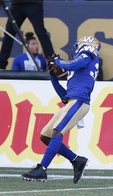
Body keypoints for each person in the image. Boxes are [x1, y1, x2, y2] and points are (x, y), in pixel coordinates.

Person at [21, 36, 101, 183]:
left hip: (80, 102)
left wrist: (59, 62)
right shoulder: (79, 67)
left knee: (58, 131)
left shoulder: (88, 55)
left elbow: (75, 63)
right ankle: (77, 160)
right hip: (72, 102)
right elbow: (65, 96)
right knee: (46, 136)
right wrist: (53, 77)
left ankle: (42, 168)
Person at [0, 0, 55, 70]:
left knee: (41, 32)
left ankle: (53, 65)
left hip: (33, 2)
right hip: (17, 2)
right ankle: (1, 65)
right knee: (9, 33)